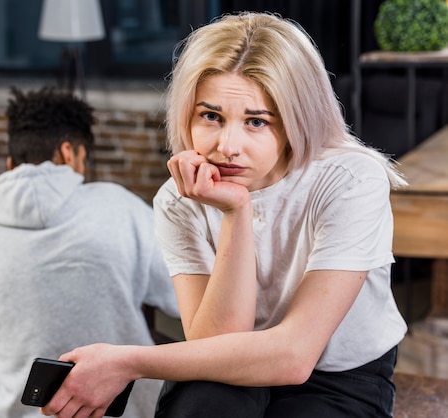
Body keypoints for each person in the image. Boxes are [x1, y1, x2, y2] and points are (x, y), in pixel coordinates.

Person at [40, 12, 408, 418]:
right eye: (211, 116)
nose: (228, 146)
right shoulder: (177, 201)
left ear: (295, 121)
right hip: (223, 365)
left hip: (339, 374)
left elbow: (295, 356)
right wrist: (236, 212)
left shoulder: (350, 179)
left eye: (256, 122)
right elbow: (215, 342)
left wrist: (129, 362)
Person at [0, 86, 179, 418]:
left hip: (16, 407)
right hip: (117, 407)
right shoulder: (121, 206)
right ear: (68, 153)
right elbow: (180, 302)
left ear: (10, 164)